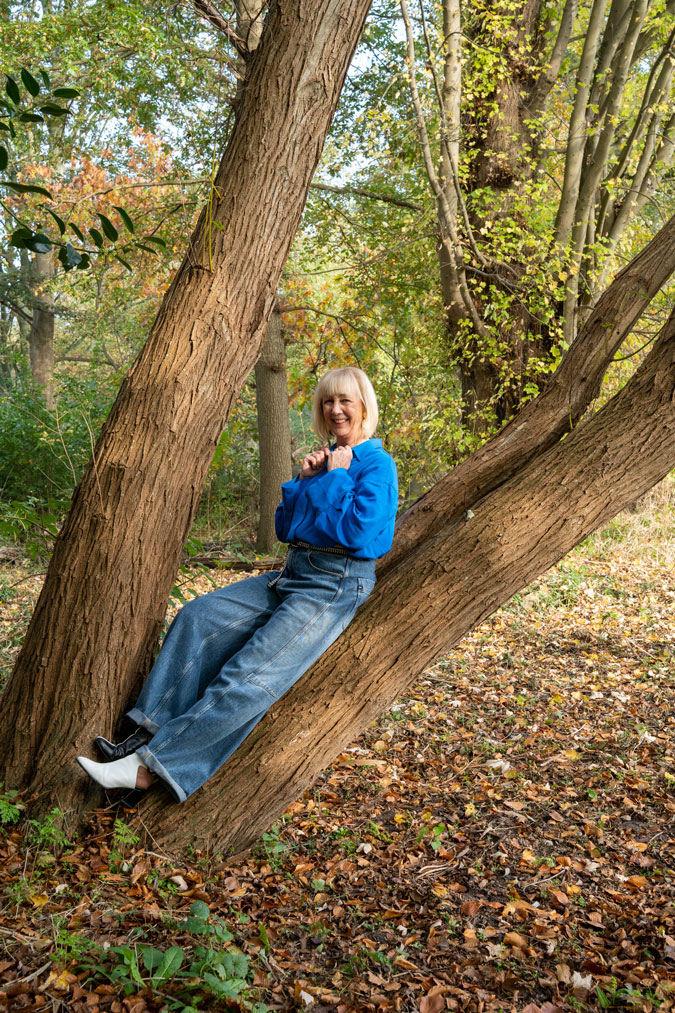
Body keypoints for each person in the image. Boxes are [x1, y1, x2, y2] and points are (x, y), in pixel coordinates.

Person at [77, 366, 398, 802]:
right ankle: (144, 734)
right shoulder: (324, 462)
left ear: (364, 406)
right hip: (293, 570)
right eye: (328, 401)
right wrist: (305, 481)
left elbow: (358, 535)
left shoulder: (377, 465)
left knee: (250, 676)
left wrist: (338, 477)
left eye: (346, 401)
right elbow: (287, 528)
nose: (336, 409)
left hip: (334, 584)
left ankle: (149, 770)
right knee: (199, 617)